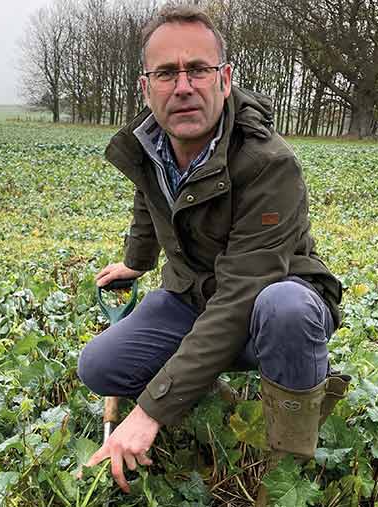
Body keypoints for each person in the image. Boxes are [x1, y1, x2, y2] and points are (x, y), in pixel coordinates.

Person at [77, 4, 349, 502]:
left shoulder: (269, 164)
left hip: (266, 298)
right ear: (146, 86)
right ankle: (200, 385)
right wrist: (137, 261)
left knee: (284, 311)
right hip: (192, 295)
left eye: (198, 69)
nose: (183, 86)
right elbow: (150, 198)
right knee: (99, 366)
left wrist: (150, 412)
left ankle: (287, 459)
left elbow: (243, 295)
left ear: (224, 79)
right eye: (166, 73)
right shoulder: (150, 143)